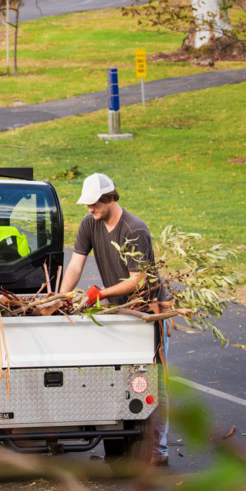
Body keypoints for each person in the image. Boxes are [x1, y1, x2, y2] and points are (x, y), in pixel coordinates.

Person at [57, 173, 171, 467]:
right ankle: (125, 441)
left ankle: (158, 451)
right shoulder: (89, 224)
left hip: (145, 313)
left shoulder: (134, 230)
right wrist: (60, 298)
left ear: (109, 199)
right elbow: (75, 265)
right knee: (118, 377)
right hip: (119, 312)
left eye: (93, 204)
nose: (89, 209)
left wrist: (100, 293)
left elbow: (138, 280)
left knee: (152, 381)